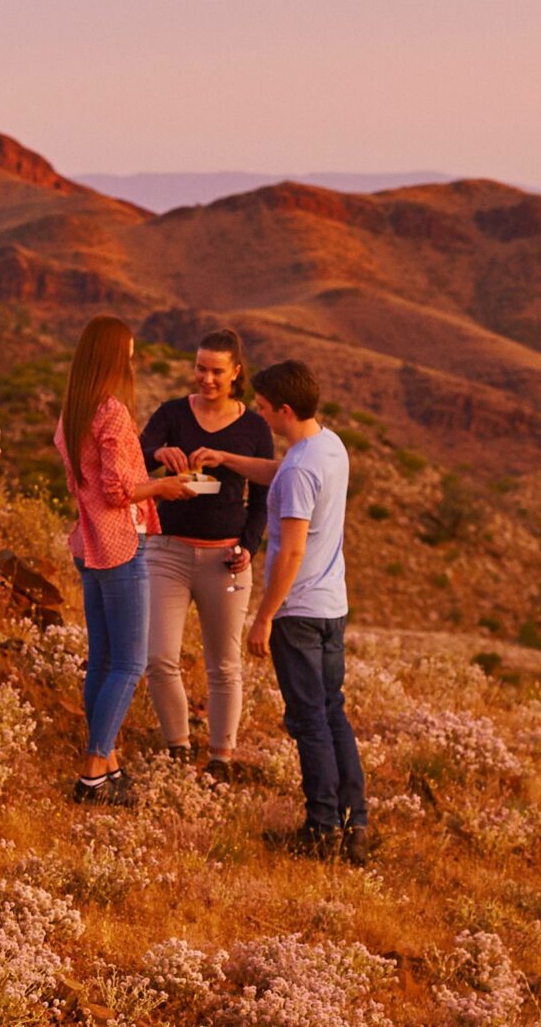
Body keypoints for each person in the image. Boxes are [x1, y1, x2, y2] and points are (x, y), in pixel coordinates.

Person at [206, 358, 368, 862]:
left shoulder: (300, 467)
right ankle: (354, 822)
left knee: (308, 721)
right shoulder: (327, 446)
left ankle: (320, 829)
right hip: (332, 607)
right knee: (333, 712)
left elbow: (291, 549)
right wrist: (228, 458)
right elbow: (281, 473)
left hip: (297, 613)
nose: (259, 414)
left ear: (286, 408)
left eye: (263, 407)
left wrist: (264, 615)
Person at [56, 315, 194, 805]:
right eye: (129, 356)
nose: (131, 364)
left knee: (105, 660)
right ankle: (94, 768)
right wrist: (164, 487)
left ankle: (108, 763)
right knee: (131, 662)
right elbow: (118, 490)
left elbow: (88, 485)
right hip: (119, 544)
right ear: (115, 358)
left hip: (88, 543)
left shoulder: (73, 410)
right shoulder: (111, 411)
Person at [140, 329, 273, 778]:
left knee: (224, 665)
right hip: (167, 552)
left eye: (217, 371)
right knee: (158, 657)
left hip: (225, 559)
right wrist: (159, 451)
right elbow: (135, 459)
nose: (207, 379)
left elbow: (264, 496)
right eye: (200, 368)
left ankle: (220, 759)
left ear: (236, 373)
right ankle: (177, 748)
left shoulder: (254, 427)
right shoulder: (172, 413)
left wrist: (248, 548)